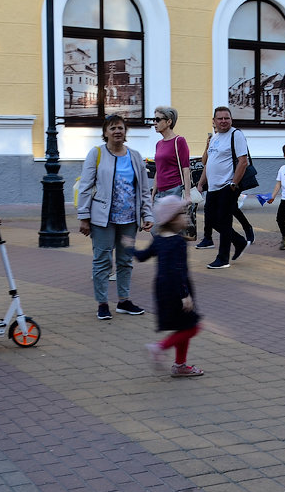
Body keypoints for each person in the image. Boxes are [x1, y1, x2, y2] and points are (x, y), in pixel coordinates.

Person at [76, 113, 153, 319]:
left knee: (125, 260)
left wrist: (147, 213)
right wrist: (84, 216)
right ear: (105, 133)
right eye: (112, 128)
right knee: (102, 261)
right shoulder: (97, 153)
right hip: (103, 219)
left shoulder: (135, 156)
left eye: (120, 127)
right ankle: (102, 303)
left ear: (125, 131)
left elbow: (144, 189)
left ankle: (123, 301)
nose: (117, 131)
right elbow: (85, 186)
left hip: (129, 219)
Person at [129, 196, 204, 377]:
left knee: (183, 327)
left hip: (163, 290)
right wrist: (184, 295)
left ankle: (180, 365)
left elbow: (142, 256)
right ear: (172, 219)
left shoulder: (159, 240)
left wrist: (128, 247)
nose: (186, 218)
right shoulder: (178, 242)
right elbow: (178, 271)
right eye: (183, 214)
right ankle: (159, 348)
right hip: (178, 291)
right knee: (193, 327)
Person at [198, 106, 250, 269]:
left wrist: (234, 184)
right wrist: (201, 183)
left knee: (224, 221)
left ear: (231, 119)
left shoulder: (236, 135)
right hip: (212, 188)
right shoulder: (215, 138)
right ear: (214, 121)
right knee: (212, 220)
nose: (223, 121)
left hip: (227, 186)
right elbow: (206, 162)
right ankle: (239, 241)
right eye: (219, 118)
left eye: (226, 118)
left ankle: (223, 258)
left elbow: (243, 161)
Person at [151, 106, 193, 238]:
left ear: (169, 122)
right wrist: (152, 194)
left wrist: (187, 195)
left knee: (173, 231)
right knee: (156, 230)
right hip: (160, 193)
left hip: (174, 190)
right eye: (154, 119)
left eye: (158, 119)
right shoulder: (159, 144)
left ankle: (175, 256)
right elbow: (158, 170)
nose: (154, 123)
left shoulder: (179, 141)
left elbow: (186, 169)